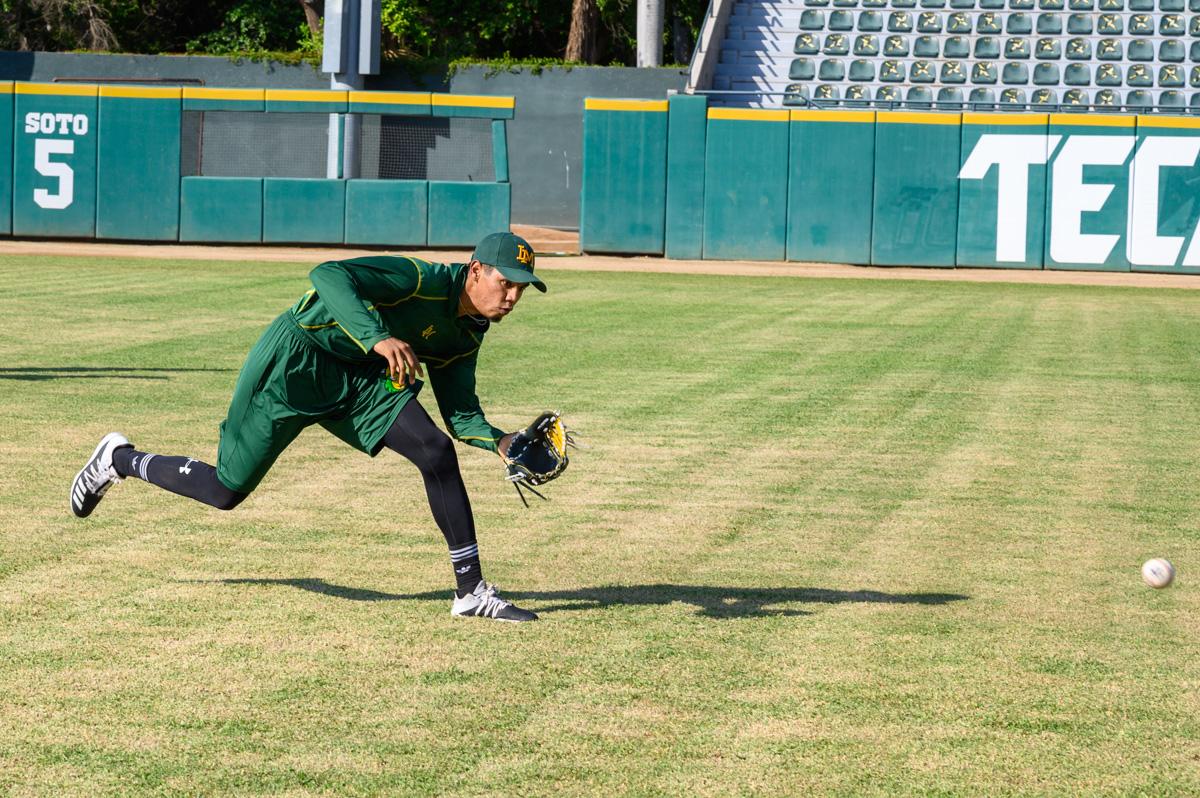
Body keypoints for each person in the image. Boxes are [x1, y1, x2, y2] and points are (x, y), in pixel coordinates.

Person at [70, 231, 546, 623]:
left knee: (435, 452)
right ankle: (119, 459)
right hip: (294, 361)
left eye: (522, 289)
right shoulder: (420, 279)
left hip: (357, 380)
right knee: (225, 490)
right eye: (506, 282)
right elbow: (328, 274)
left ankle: (470, 592)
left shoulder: (466, 335)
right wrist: (377, 337)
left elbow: (461, 414)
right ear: (476, 269)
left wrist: (501, 441)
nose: (512, 297)